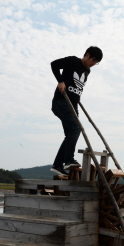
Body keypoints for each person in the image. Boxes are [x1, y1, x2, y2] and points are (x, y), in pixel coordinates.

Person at [50, 46, 103, 176]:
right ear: (88, 55)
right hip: (61, 102)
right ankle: (68, 160)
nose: (93, 64)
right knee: (76, 129)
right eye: (93, 61)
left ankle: (57, 165)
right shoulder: (73, 61)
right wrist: (60, 81)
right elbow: (54, 64)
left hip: (73, 106)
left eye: (96, 63)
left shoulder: (87, 71)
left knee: (70, 134)